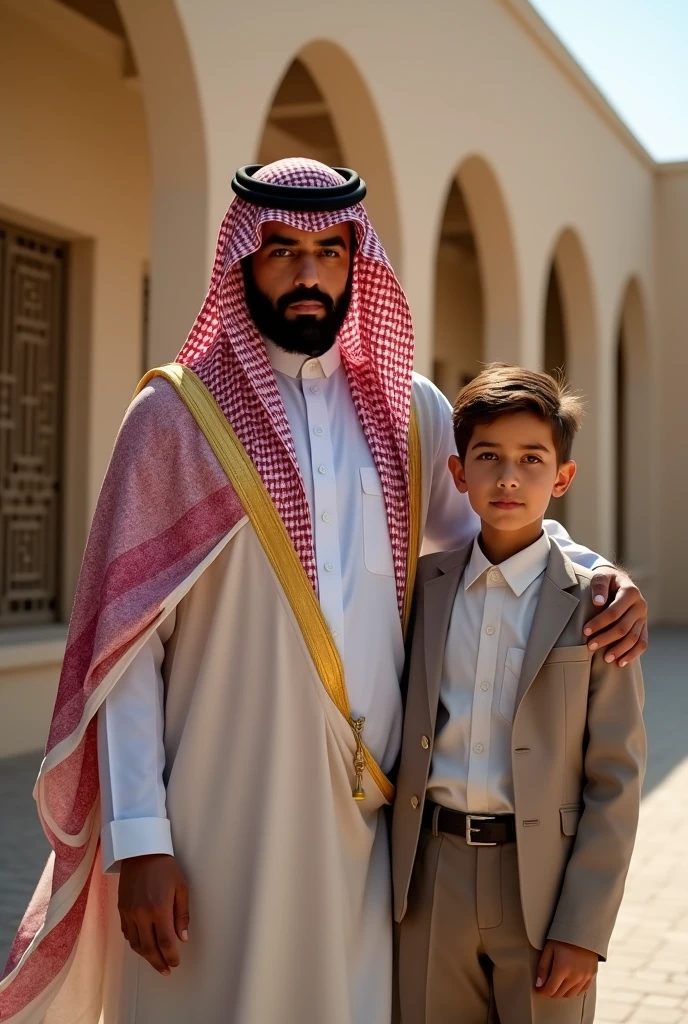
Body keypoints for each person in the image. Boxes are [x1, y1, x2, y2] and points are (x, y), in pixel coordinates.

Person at [0, 160, 647, 1024]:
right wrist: (140, 841)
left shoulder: (407, 411)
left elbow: (501, 534)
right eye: (283, 250)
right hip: (212, 823)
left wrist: (596, 572)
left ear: (357, 263)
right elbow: (127, 650)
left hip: (367, 830)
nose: (309, 274)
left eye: (330, 252)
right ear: (242, 259)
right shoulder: (174, 420)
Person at [392, 363, 646, 1024]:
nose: (508, 477)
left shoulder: (597, 604)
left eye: (532, 459)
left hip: (544, 890)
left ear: (561, 478)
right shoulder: (421, 589)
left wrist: (584, 926)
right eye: (488, 458)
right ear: (458, 475)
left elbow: (615, 777)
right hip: (430, 885)